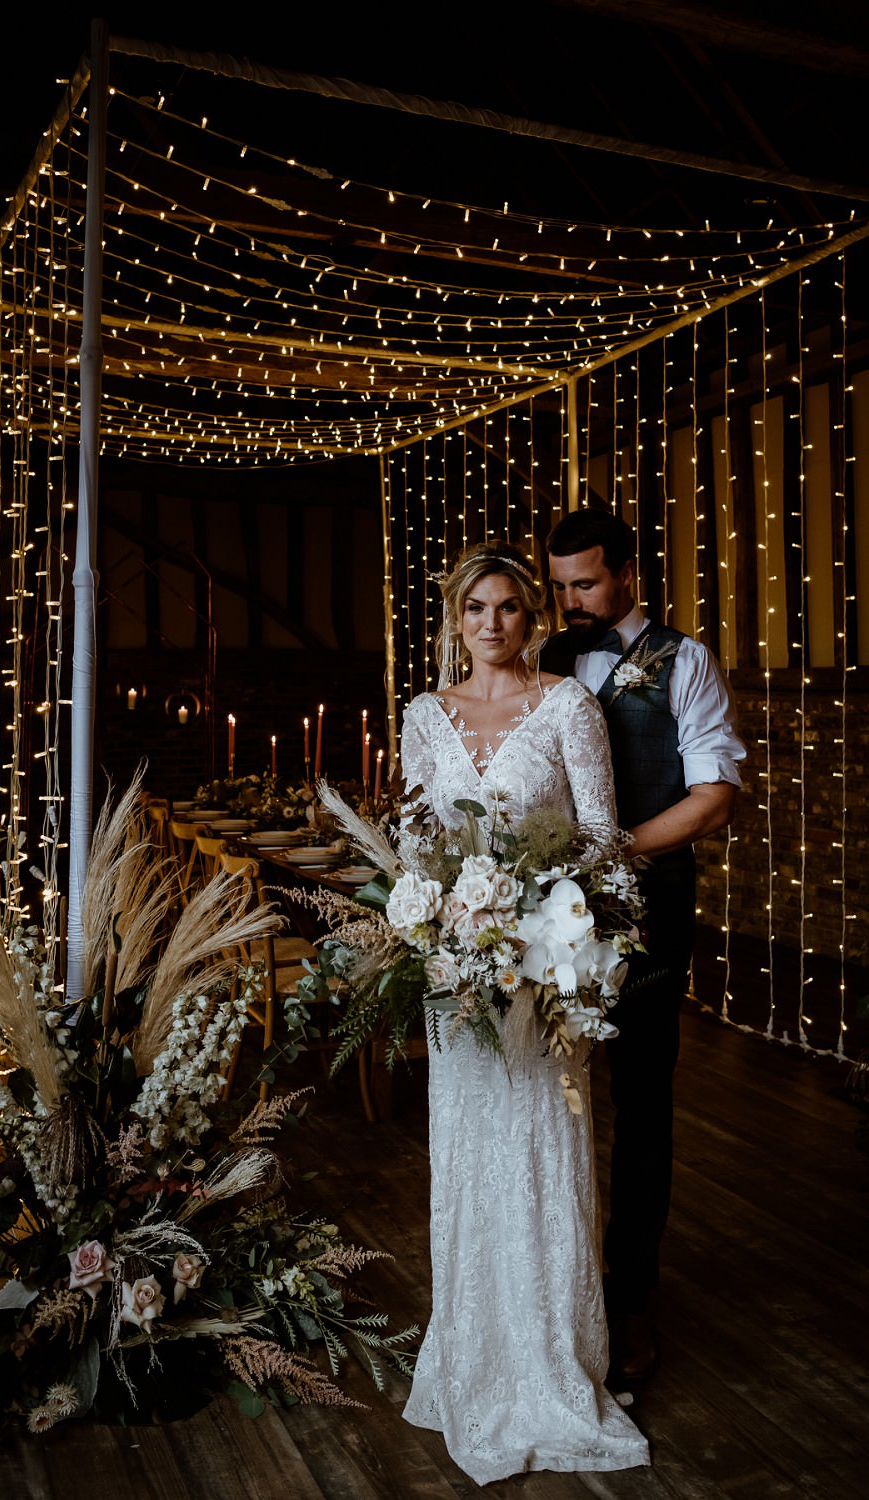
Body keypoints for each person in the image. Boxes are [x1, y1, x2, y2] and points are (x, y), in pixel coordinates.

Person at [400, 540, 650, 1483]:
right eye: (476, 608)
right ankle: (473, 1355)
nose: (492, 623)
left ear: (529, 617)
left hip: (544, 977)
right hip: (460, 983)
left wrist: (548, 932)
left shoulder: (569, 707)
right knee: (469, 1157)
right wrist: (444, 930)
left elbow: (601, 842)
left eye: (507, 606)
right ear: (455, 619)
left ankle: (551, 1362)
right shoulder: (426, 715)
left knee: (542, 1155)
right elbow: (414, 845)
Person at [542, 507, 745, 1385]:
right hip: (536, 918)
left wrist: (610, 852)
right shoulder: (545, 659)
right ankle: (550, 1289)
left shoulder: (683, 662)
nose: (571, 602)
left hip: (647, 914)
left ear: (627, 573)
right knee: (541, 1094)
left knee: (640, 1103)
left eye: (586, 584)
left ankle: (629, 1300)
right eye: (560, 587)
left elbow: (714, 798)